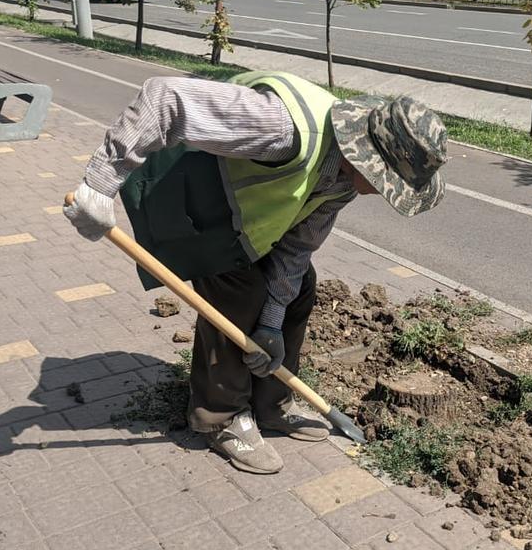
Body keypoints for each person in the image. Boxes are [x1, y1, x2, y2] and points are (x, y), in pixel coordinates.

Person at [65, 72, 447, 474]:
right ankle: (221, 417)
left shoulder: (345, 180)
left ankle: (272, 401)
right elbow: (165, 98)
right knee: (238, 291)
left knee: (300, 287)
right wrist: (100, 183)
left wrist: (272, 323)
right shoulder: (280, 127)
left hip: (245, 219)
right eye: (388, 182)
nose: (383, 193)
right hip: (191, 197)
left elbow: (299, 245)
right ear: (367, 156)